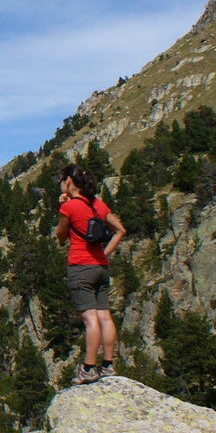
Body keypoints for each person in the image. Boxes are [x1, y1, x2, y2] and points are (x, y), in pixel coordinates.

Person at [54, 162, 126, 384]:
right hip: (101, 268)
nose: (60, 184)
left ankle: (88, 368)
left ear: (68, 182)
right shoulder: (97, 204)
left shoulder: (69, 207)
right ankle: (108, 365)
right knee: (105, 316)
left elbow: (60, 235)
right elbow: (120, 230)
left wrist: (62, 208)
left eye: (61, 181)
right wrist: (104, 253)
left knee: (90, 319)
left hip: (80, 267)